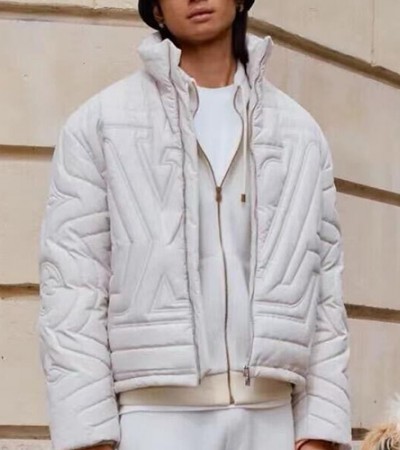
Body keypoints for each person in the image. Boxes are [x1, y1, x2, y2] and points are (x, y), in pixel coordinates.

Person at [37, 1, 352, 450]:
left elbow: (324, 294)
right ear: (156, 8)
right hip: (152, 421)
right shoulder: (100, 125)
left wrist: (320, 429)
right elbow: (72, 289)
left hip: (272, 419)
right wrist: (91, 437)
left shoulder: (299, 132)